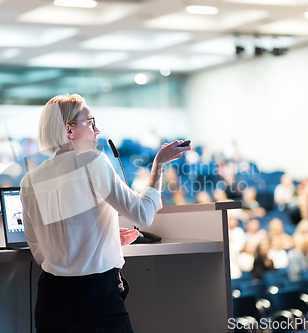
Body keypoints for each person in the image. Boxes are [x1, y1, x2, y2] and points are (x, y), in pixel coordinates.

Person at [20, 94, 189, 332]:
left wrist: (102, 239)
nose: (97, 130)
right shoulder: (92, 160)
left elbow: (38, 247)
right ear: (69, 131)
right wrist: (158, 165)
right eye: (89, 122)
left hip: (51, 298)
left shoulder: (29, 180)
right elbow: (142, 214)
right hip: (94, 297)